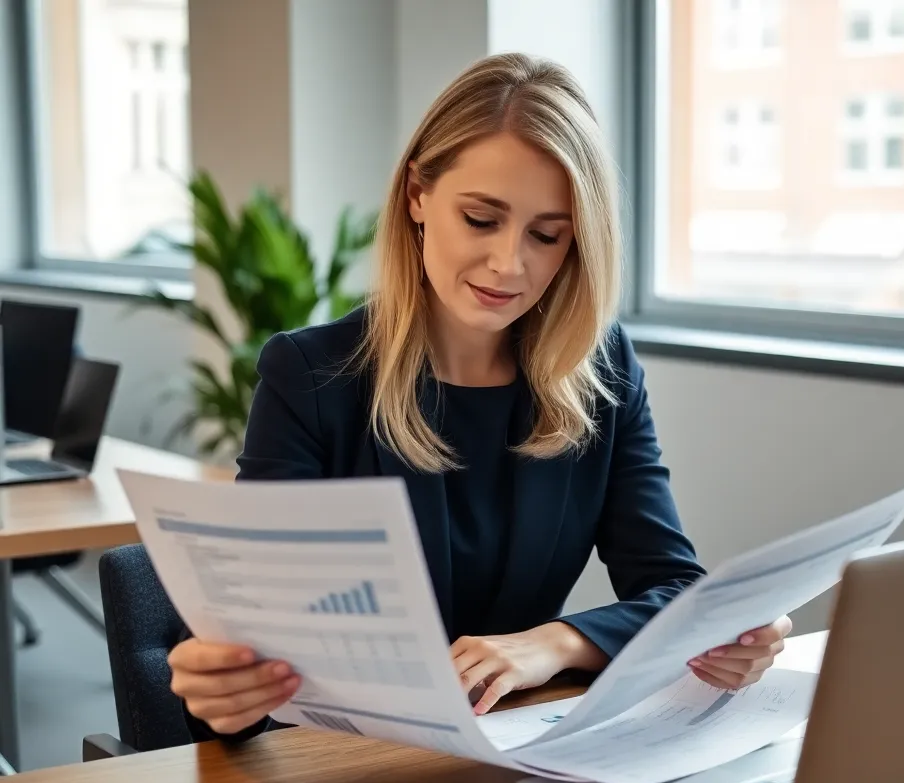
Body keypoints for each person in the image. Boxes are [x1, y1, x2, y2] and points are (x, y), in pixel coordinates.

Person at [170, 53, 791, 742]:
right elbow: (253, 634)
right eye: (480, 218)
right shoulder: (312, 377)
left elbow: (677, 592)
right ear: (416, 195)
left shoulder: (601, 372)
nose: (509, 264)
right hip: (343, 765)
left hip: (511, 755)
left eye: (547, 235)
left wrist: (554, 643)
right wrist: (224, 688)